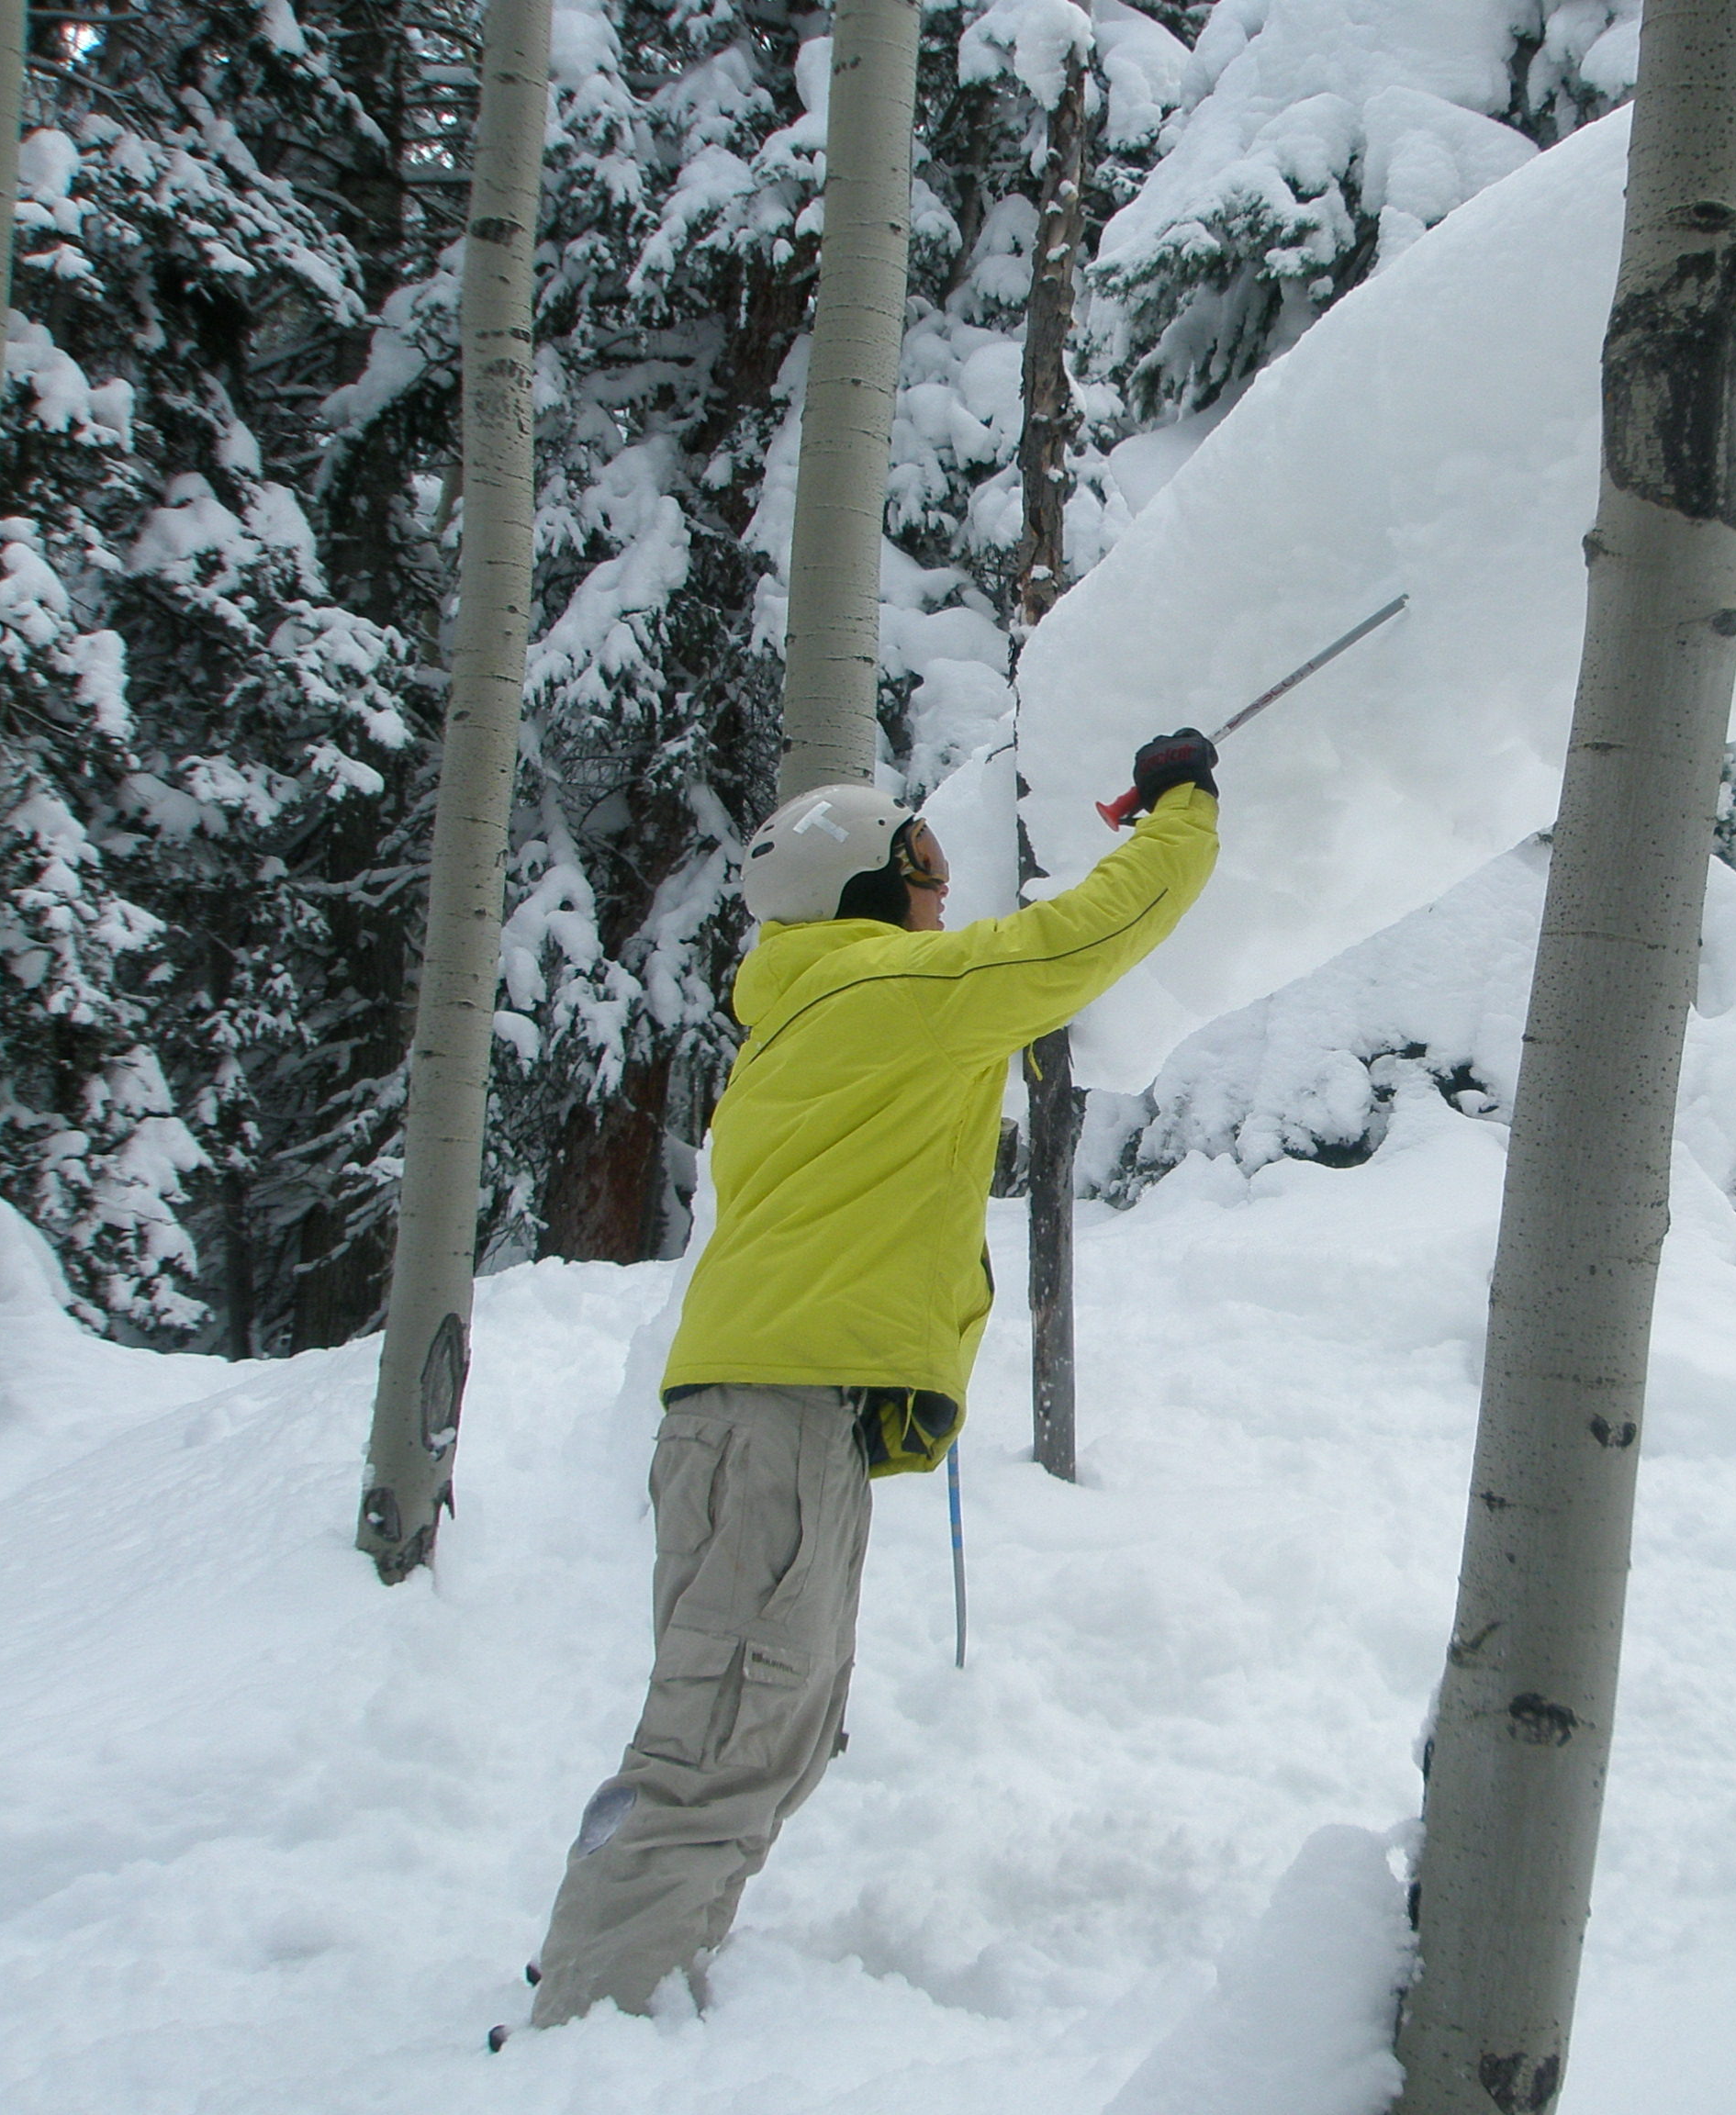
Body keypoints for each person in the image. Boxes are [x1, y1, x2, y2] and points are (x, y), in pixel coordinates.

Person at [504, 728, 1221, 2039]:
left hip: (776, 1423)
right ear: (863, 889)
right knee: (725, 1735)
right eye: (924, 864)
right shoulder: (876, 994)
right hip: (768, 1421)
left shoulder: (831, 1004)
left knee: (765, 1729)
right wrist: (1180, 812)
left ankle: (620, 1980)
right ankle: (588, 2024)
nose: (943, 889)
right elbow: (1070, 948)